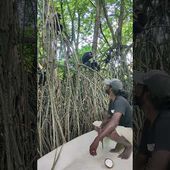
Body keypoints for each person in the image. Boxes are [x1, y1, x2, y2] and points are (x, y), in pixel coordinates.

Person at [133, 70, 170, 170]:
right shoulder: (149, 122)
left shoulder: (166, 122)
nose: (135, 87)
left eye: (139, 85)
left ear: (147, 93)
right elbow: (140, 159)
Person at [89, 78, 133, 159]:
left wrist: (97, 139)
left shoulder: (120, 101)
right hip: (120, 127)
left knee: (111, 131)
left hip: (128, 130)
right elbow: (108, 117)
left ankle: (128, 146)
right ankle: (120, 145)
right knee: (98, 126)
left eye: (107, 86)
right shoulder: (112, 100)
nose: (105, 87)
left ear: (111, 89)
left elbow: (114, 122)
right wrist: (101, 127)